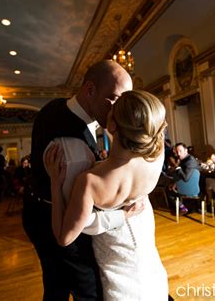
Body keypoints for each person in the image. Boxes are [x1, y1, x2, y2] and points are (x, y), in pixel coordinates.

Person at [23, 60, 137, 300]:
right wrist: (122, 214)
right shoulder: (73, 148)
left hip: (35, 210)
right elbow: (77, 220)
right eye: (115, 99)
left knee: (55, 286)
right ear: (90, 90)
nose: (118, 109)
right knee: (89, 291)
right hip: (56, 221)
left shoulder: (56, 106)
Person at [45, 90, 168, 300]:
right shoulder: (156, 158)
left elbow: (64, 238)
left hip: (120, 274)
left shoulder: (90, 181)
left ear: (111, 126)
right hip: (149, 265)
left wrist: (55, 183)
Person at [166, 142, 199, 214]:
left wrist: (178, 168)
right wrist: (175, 183)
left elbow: (185, 178)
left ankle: (182, 207)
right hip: (187, 185)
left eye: (180, 151)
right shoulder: (184, 160)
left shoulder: (190, 161)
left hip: (192, 188)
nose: (178, 154)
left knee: (169, 189)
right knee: (169, 186)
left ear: (186, 150)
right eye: (177, 151)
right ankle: (182, 207)